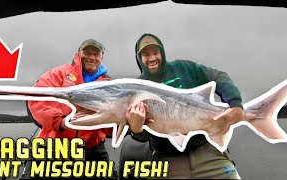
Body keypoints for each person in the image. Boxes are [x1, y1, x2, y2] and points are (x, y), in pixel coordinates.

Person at [124, 33, 244, 179]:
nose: (152, 58)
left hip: (206, 152)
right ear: (139, 58)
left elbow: (219, 77)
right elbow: (143, 136)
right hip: (167, 159)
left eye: (156, 52)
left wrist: (235, 104)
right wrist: (136, 130)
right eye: (146, 54)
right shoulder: (137, 88)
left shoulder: (184, 68)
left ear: (162, 53)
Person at [21, 39, 116, 179]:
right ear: (78, 54)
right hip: (54, 147)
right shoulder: (59, 73)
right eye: (87, 52)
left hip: (93, 151)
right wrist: (61, 122)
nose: (91, 57)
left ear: (102, 58)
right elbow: (36, 99)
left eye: (96, 54)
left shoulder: (110, 84)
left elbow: (112, 124)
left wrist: (130, 124)